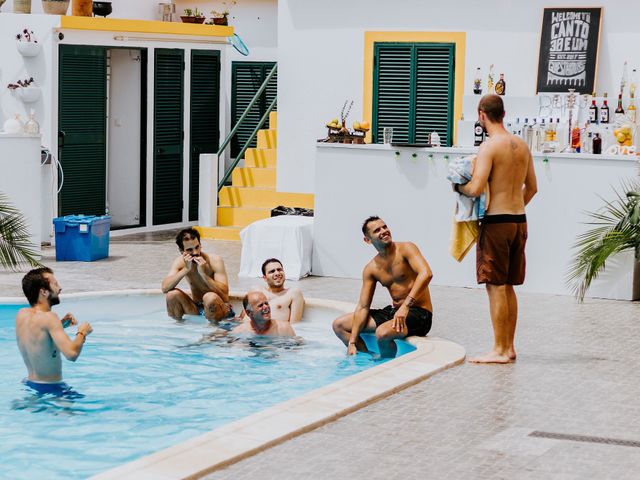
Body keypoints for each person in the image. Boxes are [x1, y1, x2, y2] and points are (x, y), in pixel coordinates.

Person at [454, 94, 538, 364]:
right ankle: (509, 347)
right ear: (504, 113)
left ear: (481, 115)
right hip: (518, 221)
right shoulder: (522, 145)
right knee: (509, 286)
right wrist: (514, 209)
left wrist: (458, 187)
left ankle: (499, 350)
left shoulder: (490, 147)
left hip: (497, 223)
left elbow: (476, 188)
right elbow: (533, 188)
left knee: (495, 286)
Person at [332, 217, 434, 358]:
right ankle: (367, 360)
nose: (384, 231)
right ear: (368, 240)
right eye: (377, 230)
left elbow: (426, 274)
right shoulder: (371, 268)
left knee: (382, 333)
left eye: (384, 227)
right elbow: (363, 306)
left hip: (420, 314)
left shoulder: (406, 249)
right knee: (339, 325)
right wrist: (353, 341)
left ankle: (385, 367)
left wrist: (405, 306)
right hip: (395, 312)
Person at [15, 267, 93, 396]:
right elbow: (72, 354)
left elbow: (37, 337)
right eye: (55, 284)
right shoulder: (51, 318)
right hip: (52, 389)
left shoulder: (21, 314)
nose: (60, 288)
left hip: (30, 384)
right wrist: (82, 332)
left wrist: (60, 325)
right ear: (44, 292)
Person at [162, 228, 231, 322]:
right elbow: (165, 288)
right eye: (190, 250)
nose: (195, 252)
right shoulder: (180, 262)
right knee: (172, 295)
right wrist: (186, 269)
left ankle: (215, 333)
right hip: (196, 308)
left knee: (209, 297)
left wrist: (204, 274)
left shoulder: (214, 261)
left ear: (200, 245)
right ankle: (178, 330)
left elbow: (225, 296)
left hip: (219, 309)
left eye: (197, 247)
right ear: (182, 251)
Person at [259, 258, 305, 323]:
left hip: (277, 332)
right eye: (272, 271)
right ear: (265, 278)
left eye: (279, 270)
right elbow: (244, 317)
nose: (277, 273)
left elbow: (295, 325)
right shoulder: (258, 291)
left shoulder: (293, 293)